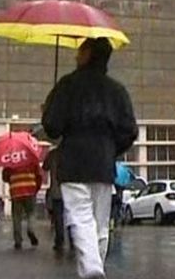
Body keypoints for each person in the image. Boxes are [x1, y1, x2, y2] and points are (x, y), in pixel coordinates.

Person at [42, 37, 138, 279]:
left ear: (87, 54)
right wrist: (111, 149)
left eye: (79, 51)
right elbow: (130, 130)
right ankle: (95, 268)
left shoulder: (67, 85)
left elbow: (52, 127)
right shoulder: (117, 91)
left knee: (81, 218)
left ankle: (93, 271)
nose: (75, 56)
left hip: (74, 163)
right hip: (103, 164)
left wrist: (49, 109)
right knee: (100, 223)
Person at [2, 163, 42, 249]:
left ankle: (18, 241)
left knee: (16, 216)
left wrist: (12, 180)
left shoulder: (10, 160)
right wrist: (36, 189)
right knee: (31, 213)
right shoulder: (32, 159)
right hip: (30, 190)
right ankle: (31, 229)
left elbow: (4, 177)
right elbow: (39, 176)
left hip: (16, 191)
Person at [43, 147, 73, 253]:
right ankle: (73, 240)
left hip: (56, 191)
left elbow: (45, 167)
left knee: (58, 218)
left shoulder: (53, 154)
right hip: (71, 190)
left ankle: (59, 241)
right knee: (71, 216)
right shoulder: (72, 152)